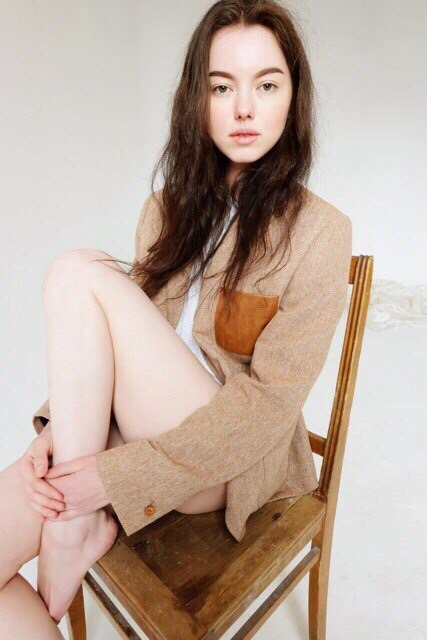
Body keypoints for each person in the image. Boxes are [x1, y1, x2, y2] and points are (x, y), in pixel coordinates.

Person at [0, 0, 353, 636]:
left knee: (79, 270)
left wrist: (111, 477)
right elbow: (113, 338)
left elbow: (267, 408)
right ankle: (69, 535)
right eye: (222, 87)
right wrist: (58, 429)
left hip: (226, 466)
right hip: (137, 427)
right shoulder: (164, 208)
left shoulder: (321, 233)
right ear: (198, 99)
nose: (243, 108)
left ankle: (73, 528)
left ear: (293, 97)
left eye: (266, 85)